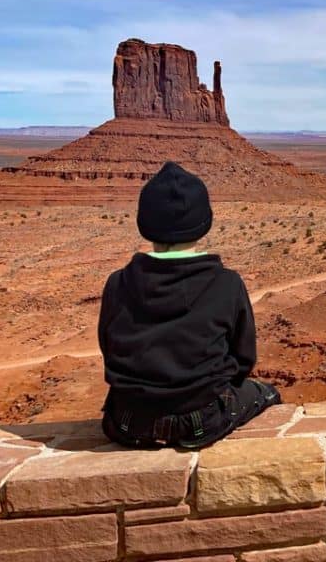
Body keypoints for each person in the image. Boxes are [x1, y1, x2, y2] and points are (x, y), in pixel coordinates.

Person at [98, 161, 280, 448]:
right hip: (202, 420)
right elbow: (243, 359)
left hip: (128, 422)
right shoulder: (226, 283)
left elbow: (109, 350)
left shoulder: (117, 283)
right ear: (204, 223)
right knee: (265, 393)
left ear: (144, 224)